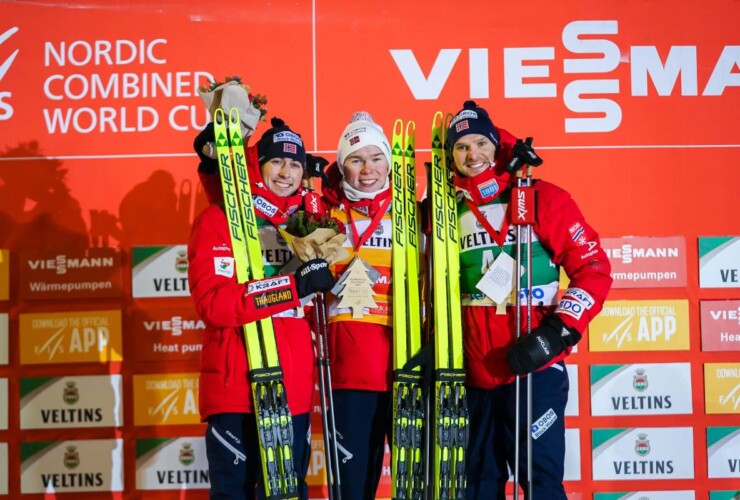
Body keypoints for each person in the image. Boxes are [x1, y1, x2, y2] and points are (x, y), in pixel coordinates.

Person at [446, 100, 613, 499]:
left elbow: (594, 269)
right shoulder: (444, 210)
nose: (473, 155)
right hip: (474, 375)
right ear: (450, 155)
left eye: (480, 144)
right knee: (476, 486)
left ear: (495, 145)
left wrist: (557, 333)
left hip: (534, 368)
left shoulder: (541, 197)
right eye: (461, 147)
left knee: (540, 484)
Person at [187, 116, 335, 499]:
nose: (286, 172)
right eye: (276, 162)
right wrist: (292, 285)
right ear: (258, 165)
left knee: (287, 492)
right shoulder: (218, 220)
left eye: (295, 163)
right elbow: (214, 304)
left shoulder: (310, 227)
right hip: (235, 386)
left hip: (294, 384)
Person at [318, 111, 395, 499]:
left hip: (405, 369)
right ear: (341, 166)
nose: (368, 170)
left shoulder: (416, 216)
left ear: (389, 161)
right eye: (355, 159)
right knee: (352, 489)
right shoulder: (323, 216)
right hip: (349, 372)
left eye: (376, 157)